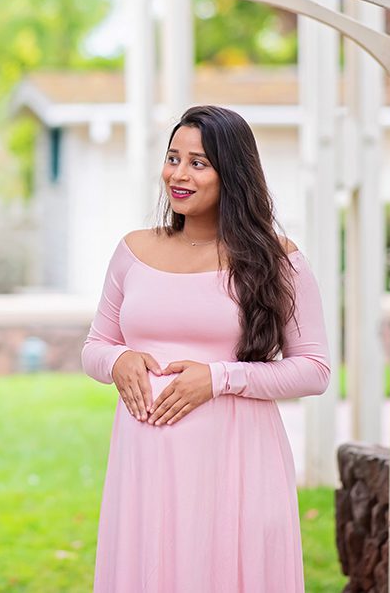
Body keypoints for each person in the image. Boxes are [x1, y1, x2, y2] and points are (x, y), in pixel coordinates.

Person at [81, 105, 331, 592]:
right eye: (173, 158)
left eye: (198, 163)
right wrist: (119, 359)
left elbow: (314, 369)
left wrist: (219, 378)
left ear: (231, 174)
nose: (178, 174)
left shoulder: (276, 260)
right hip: (145, 464)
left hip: (236, 462)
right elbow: (95, 346)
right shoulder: (133, 250)